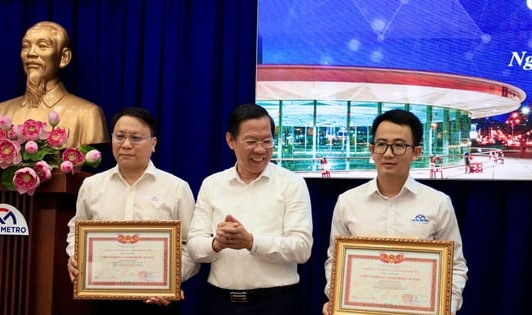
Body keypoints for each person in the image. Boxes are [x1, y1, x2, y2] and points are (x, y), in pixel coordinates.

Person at [322, 109, 468, 315]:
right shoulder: (348, 202)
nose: (388, 153)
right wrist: (336, 296)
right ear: (372, 149)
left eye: (399, 145)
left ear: (416, 152)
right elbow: (335, 261)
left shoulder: (438, 203)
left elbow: (456, 266)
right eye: (381, 144)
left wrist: (446, 307)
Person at [65, 107, 199, 315]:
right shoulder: (92, 186)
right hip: (104, 299)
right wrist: (76, 258)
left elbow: (191, 245)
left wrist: (170, 281)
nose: (126, 144)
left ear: (153, 144)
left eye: (136, 138)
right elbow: (76, 231)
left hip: (157, 302)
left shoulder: (176, 188)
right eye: (120, 136)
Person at [187, 103, 313, 315]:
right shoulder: (212, 184)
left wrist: (251, 242)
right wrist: (217, 243)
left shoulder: (292, 183)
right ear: (230, 140)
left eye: (267, 141)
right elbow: (193, 246)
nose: (260, 149)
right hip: (220, 302)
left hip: (276, 302)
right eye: (251, 141)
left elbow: (301, 248)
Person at [0, 21, 109, 148]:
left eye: (42, 46)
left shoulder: (87, 114)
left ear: (64, 57)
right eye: (26, 46)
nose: (31, 53)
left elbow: (94, 164)